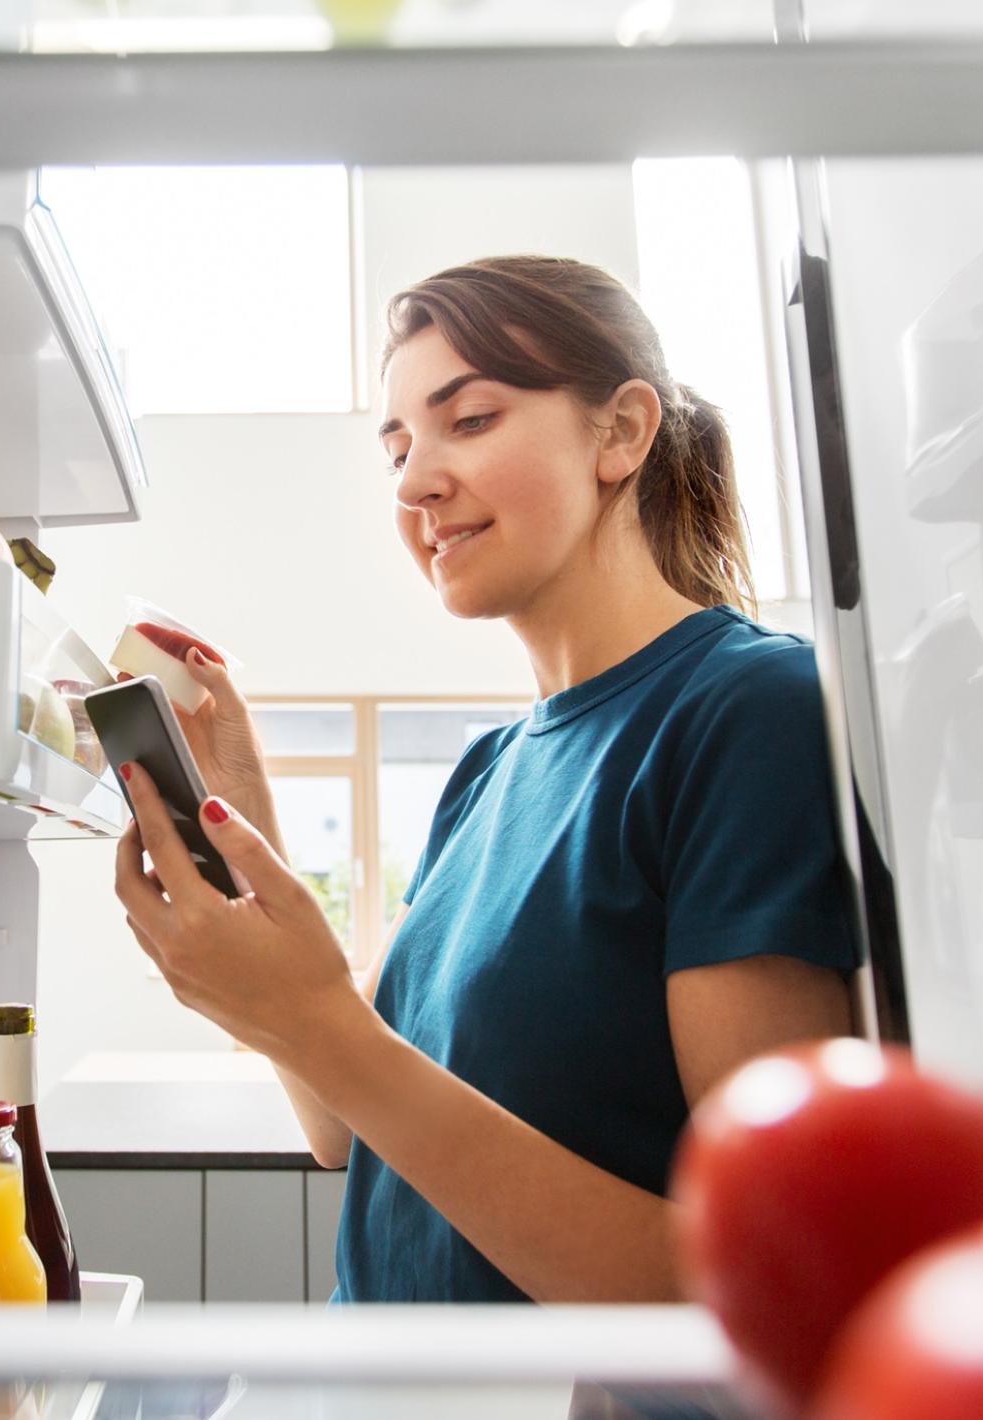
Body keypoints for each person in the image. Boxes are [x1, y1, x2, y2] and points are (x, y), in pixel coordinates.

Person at [109, 255, 860, 1306]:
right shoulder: (486, 770)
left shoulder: (744, 712)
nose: (413, 479)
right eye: (397, 445)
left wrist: (321, 1021)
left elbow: (758, 1285)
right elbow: (341, 1126)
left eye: (467, 421)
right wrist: (239, 841)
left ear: (620, 432)